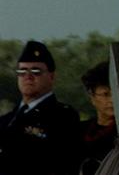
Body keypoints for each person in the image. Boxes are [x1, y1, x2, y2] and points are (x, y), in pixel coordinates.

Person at [0, 40, 81, 175]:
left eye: (36, 71)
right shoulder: (6, 120)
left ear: (51, 76)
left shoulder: (63, 117)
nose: (28, 77)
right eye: (22, 71)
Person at [78, 62, 115, 174]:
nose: (112, 100)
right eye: (105, 94)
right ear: (92, 97)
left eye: (116, 94)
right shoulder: (79, 130)